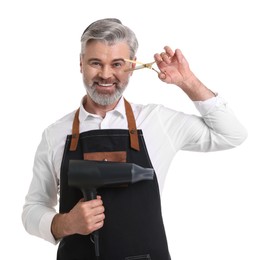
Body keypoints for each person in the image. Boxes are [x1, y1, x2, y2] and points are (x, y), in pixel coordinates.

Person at [22, 18, 247, 260]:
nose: (106, 75)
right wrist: (65, 223)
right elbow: (31, 211)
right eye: (95, 63)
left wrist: (187, 82)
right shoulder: (55, 134)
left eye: (117, 64)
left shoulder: (157, 121)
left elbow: (232, 134)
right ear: (81, 64)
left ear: (132, 66)